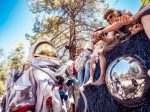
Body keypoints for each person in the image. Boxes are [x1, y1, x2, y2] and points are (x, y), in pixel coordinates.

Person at [5, 41, 79, 112]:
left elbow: (68, 100)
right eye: (43, 51)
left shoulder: (61, 73)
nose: (48, 54)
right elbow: (21, 104)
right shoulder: (31, 72)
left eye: (50, 52)